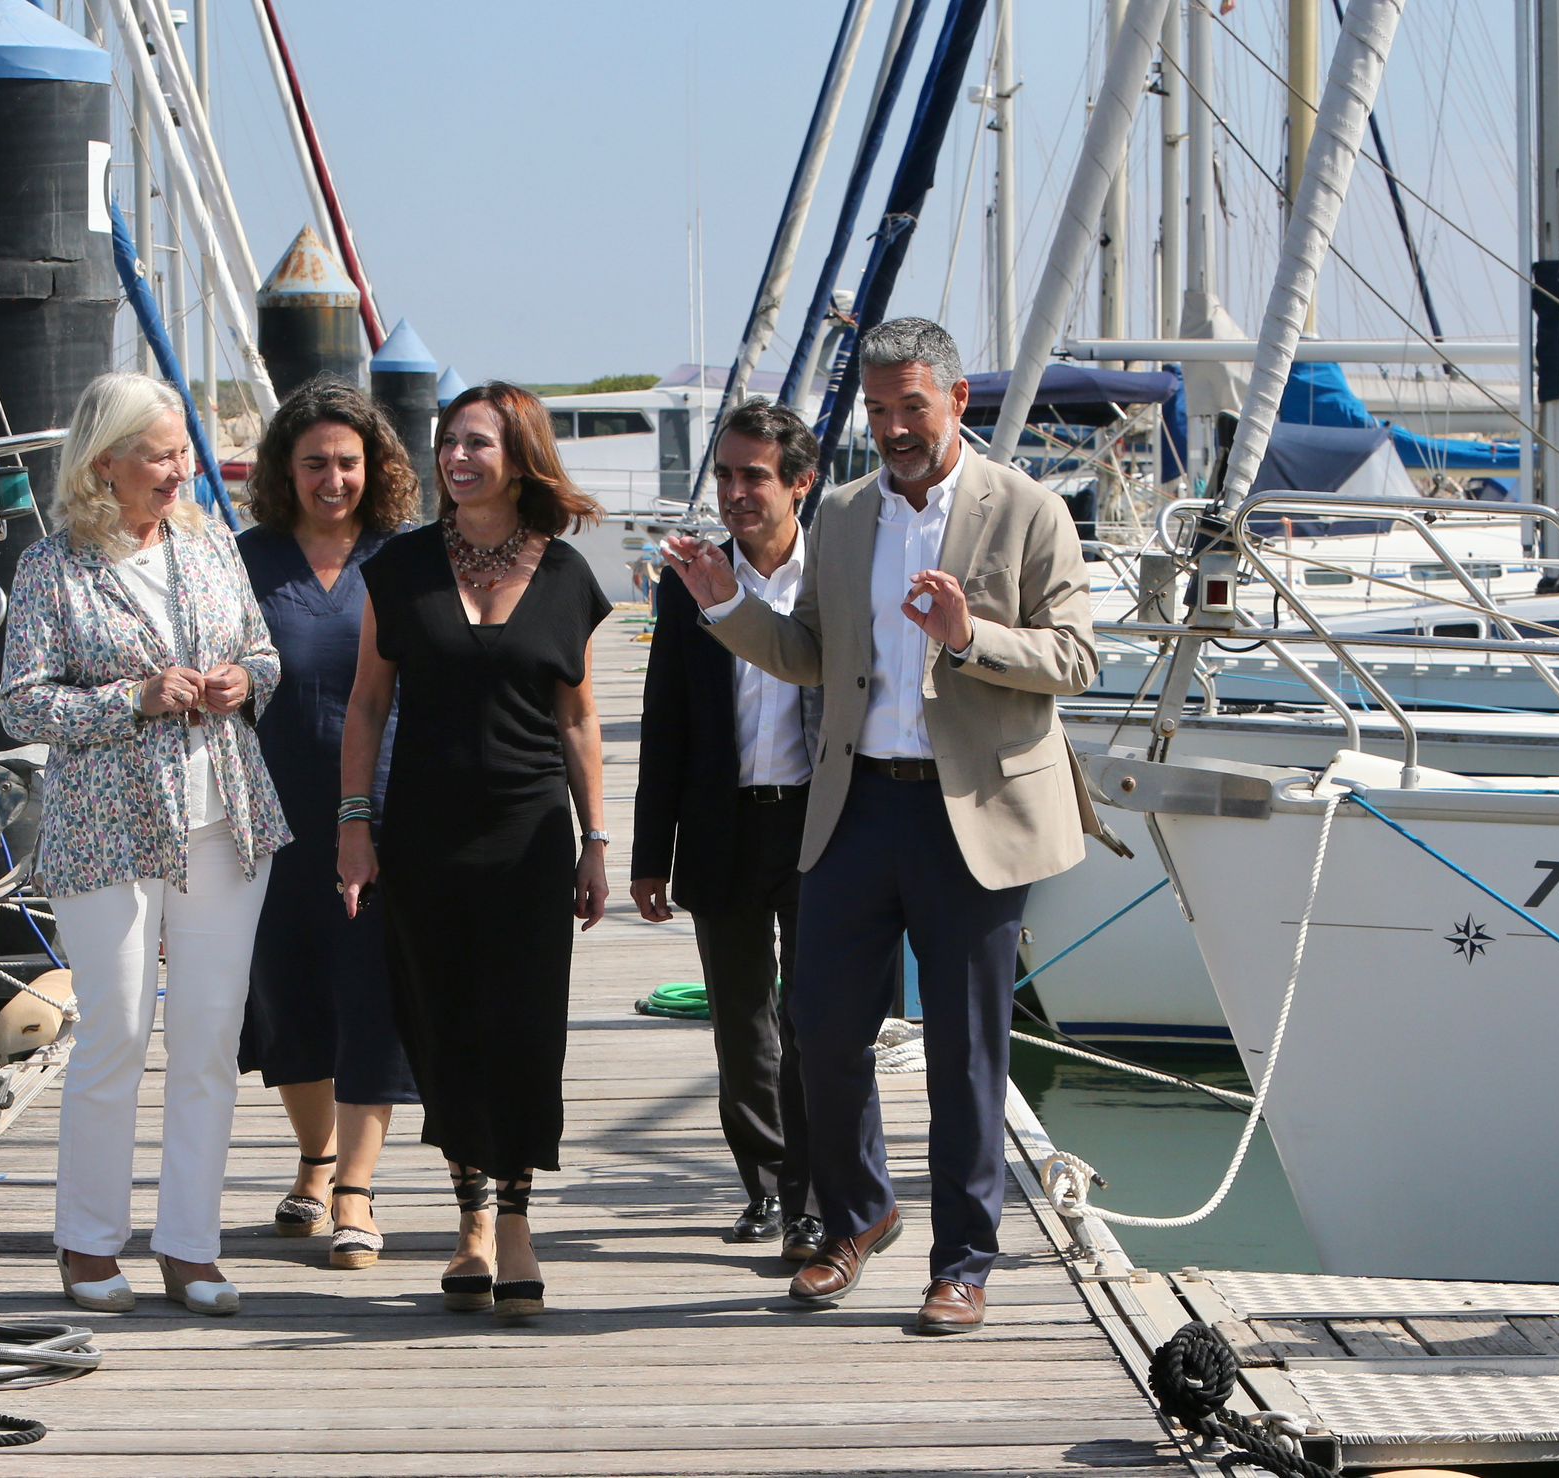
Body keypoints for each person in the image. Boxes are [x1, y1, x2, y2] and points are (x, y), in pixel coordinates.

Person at [662, 318, 1109, 1336]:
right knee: (821, 1031)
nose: (894, 427)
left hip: (976, 814)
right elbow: (812, 654)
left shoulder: (1029, 508)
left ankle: (962, 1261)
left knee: (962, 1053)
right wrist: (727, 605)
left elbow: (1076, 658)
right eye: (877, 410)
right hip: (856, 804)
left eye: (912, 406)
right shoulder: (848, 513)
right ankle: (858, 1216)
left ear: (955, 402)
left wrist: (970, 638)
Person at [0, 371, 289, 1317]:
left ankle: (190, 1247)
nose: (179, 470)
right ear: (105, 462)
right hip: (106, 825)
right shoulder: (52, 567)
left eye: (180, 452)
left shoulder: (210, 547)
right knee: (116, 1034)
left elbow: (263, 652)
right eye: (160, 454)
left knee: (207, 1039)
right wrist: (133, 698)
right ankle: (88, 1243)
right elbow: (22, 704)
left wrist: (244, 680)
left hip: (223, 816)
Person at [337, 380, 612, 1320]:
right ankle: (472, 1221)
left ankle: (522, 1219)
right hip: (424, 834)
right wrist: (354, 827)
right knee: (445, 1026)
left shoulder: (568, 575)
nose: (457, 458)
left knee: (526, 1029)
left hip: (533, 834)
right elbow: (369, 704)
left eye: (478, 444)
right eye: (448, 442)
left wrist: (597, 840)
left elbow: (579, 717)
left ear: (519, 456)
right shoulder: (401, 569)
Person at [630, 399, 823, 1262]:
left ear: (801, 483)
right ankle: (768, 1189)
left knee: (818, 1020)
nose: (737, 492)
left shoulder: (837, 578)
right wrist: (648, 855)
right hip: (722, 826)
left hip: (822, 826)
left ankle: (816, 1195)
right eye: (727, 475)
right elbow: (663, 717)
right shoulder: (688, 581)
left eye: (755, 476)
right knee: (740, 1023)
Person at [236, 378, 420, 1271]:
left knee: (370, 996)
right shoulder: (242, 559)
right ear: (286, 470)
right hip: (266, 814)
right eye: (315, 463)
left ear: (374, 466)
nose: (333, 479)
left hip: (384, 810)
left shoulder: (406, 557)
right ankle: (314, 1162)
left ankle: (357, 1187)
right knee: (286, 994)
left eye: (349, 462)